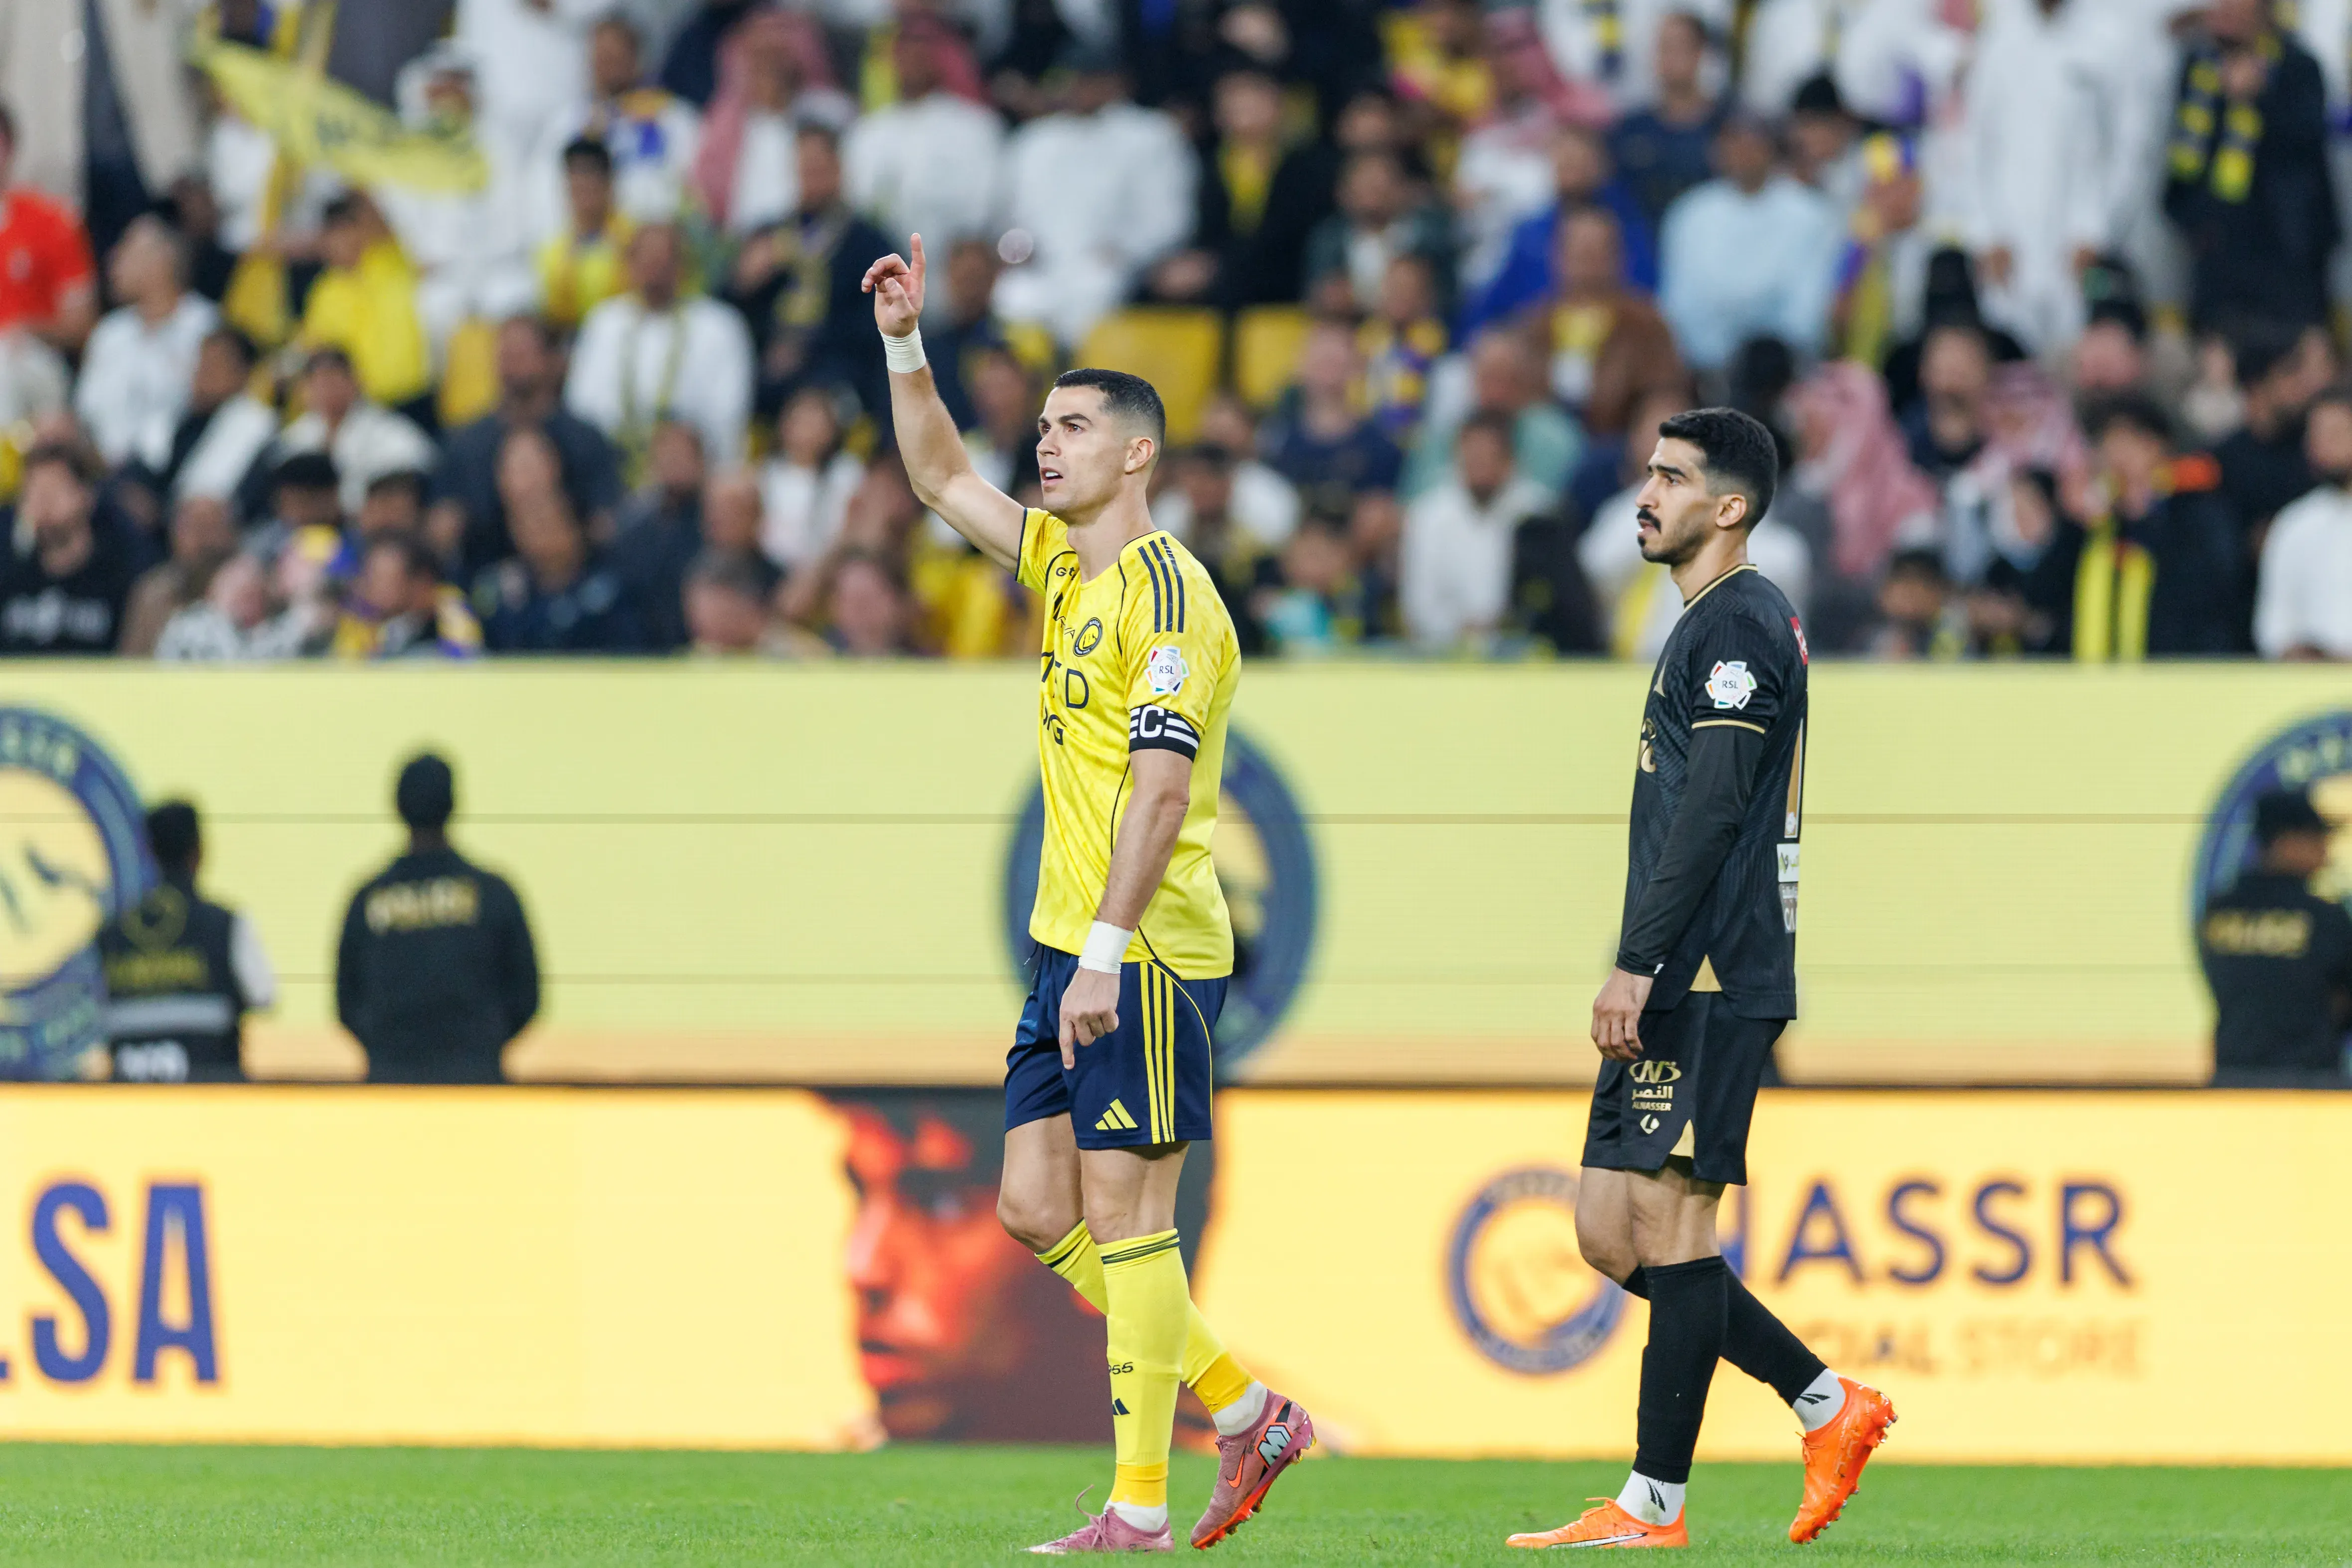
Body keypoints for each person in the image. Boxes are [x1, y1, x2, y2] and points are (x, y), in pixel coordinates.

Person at [862, 234, 1313, 1553]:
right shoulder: (1062, 565)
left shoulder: (1171, 602)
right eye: (1043, 423)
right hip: (1069, 947)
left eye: (1070, 427)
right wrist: (904, 343)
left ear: (1135, 455)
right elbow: (940, 470)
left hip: (1148, 953)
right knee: (1032, 1208)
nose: (1040, 445)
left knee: (1128, 1217)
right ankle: (1245, 1409)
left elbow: (1164, 796)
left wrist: (1109, 954)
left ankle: (1135, 1510)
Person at [1508, 408, 1892, 1551]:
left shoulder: (1741, 626)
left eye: (1672, 477)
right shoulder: (1698, 626)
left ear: (1729, 507)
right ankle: (1830, 1402)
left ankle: (1651, 1505)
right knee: (1606, 1230)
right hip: (1680, 969)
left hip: (1715, 971)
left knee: (1673, 1226)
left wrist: (1638, 960)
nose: (1647, 492)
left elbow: (1719, 805)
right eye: (1648, 471)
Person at [335, 753, 540, 1085]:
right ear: (454, 803)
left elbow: (346, 1003)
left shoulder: (369, 900)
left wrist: (394, 1051)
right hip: (477, 1082)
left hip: (391, 1085)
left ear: (397, 806)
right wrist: (478, 1045)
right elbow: (526, 996)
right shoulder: (493, 894)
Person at [2164, 0, 2339, 331]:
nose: (2224, 9)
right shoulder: (2199, 66)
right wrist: (2187, 217)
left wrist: (2261, 97)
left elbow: (2306, 155)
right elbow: (2182, 156)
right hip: (2215, 254)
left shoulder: (2296, 66)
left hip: (2283, 261)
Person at [2031, 395, 2245, 658]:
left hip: (2178, 674)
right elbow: (2044, 592)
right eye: (2108, 444)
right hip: (2091, 680)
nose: (2118, 455)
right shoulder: (2095, 523)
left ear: (2160, 446)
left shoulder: (2196, 508)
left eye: (2130, 442)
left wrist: (2146, 514)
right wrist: (2071, 524)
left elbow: (2214, 584)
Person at [431, 316, 626, 578]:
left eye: (523, 354)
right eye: (505, 354)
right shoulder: (466, 444)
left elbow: (607, 519)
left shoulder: (585, 439)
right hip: (485, 580)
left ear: (553, 361)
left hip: (572, 581)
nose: (512, 365)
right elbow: (443, 521)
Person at [96, 800, 277, 1083]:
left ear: (150, 852)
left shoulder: (112, 934)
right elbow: (265, 995)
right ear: (199, 852)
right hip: (211, 1100)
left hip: (130, 1106)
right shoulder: (225, 924)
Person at [1657, 113, 1841, 372]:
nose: (1743, 152)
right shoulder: (1690, 213)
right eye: (1733, 142)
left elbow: (1807, 311)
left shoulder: (1811, 214)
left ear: (1772, 148)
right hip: (1703, 370)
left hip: (1785, 371)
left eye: (1752, 142)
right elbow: (1679, 307)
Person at [566, 221, 757, 470]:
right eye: (645, 260)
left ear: (683, 266)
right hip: (615, 464)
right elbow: (582, 406)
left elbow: (729, 415)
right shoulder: (604, 323)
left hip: (694, 468)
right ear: (629, 265)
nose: (655, 271)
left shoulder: (718, 325)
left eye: (664, 261)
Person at [2199, 789, 2352, 1085]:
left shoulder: (2219, 910)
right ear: (2285, 842)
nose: (2325, 850)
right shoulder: (2323, 918)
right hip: (2309, 1084)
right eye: (2316, 838)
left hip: (2234, 1079)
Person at [1401, 411, 1559, 650]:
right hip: (1443, 654)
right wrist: (1464, 631)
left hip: (1522, 651)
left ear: (1509, 460)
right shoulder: (1428, 515)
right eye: (1472, 457)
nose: (1480, 466)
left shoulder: (1540, 513)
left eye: (1489, 457)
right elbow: (1419, 606)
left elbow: (1554, 597)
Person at [74, 216, 218, 472]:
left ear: (161, 262)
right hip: (103, 473)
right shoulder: (109, 333)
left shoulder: (207, 328)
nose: (113, 261)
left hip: (179, 472)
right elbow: (85, 413)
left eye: (126, 252)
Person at [0, 443, 139, 655]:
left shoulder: (122, 579)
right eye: (32, 493)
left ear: (86, 496)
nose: (42, 505)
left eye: (53, 491)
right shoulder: (9, 576)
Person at [2254, 387, 2352, 658]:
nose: (2322, 445)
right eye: (2316, 434)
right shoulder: (2296, 523)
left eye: (2335, 433)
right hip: (2310, 689)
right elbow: (2274, 627)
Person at [0, 102, 98, 353]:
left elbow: (81, 323)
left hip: (33, 358)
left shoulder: (51, 220)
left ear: (9, 149)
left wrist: (26, 331)